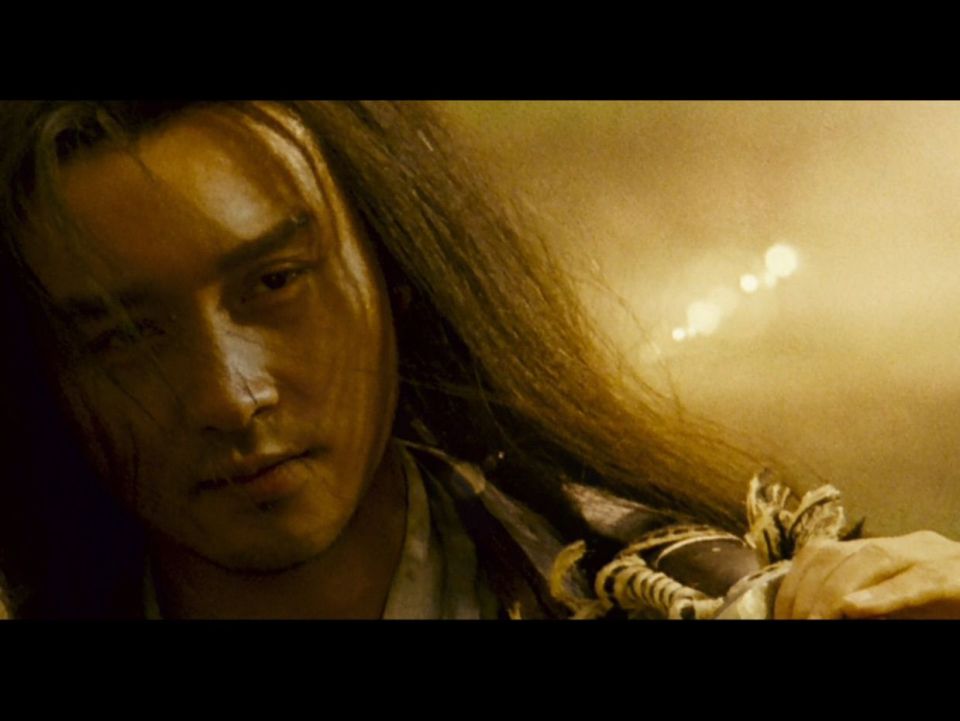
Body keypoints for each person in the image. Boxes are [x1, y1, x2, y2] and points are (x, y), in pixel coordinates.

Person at [0, 100, 956, 619]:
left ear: (395, 272)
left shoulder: (691, 600)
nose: (229, 393)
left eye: (277, 282)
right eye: (121, 335)